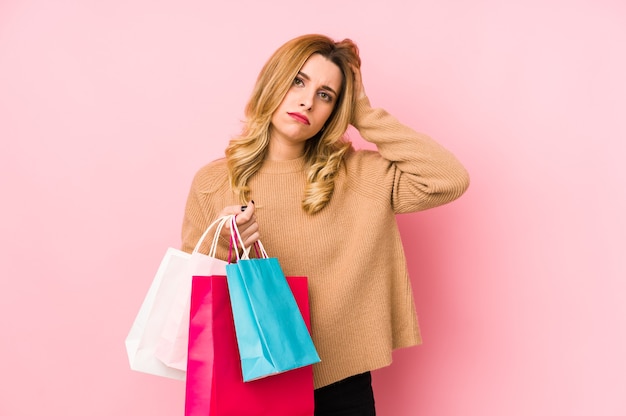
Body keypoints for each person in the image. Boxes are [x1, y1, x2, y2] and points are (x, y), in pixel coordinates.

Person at [181, 34, 469, 415]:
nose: (306, 101)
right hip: (251, 378)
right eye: (298, 81)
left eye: (326, 95)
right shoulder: (214, 182)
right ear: (273, 81)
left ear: (337, 111)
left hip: (341, 383)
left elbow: (448, 178)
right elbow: (191, 292)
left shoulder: (360, 175)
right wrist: (225, 245)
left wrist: (364, 113)